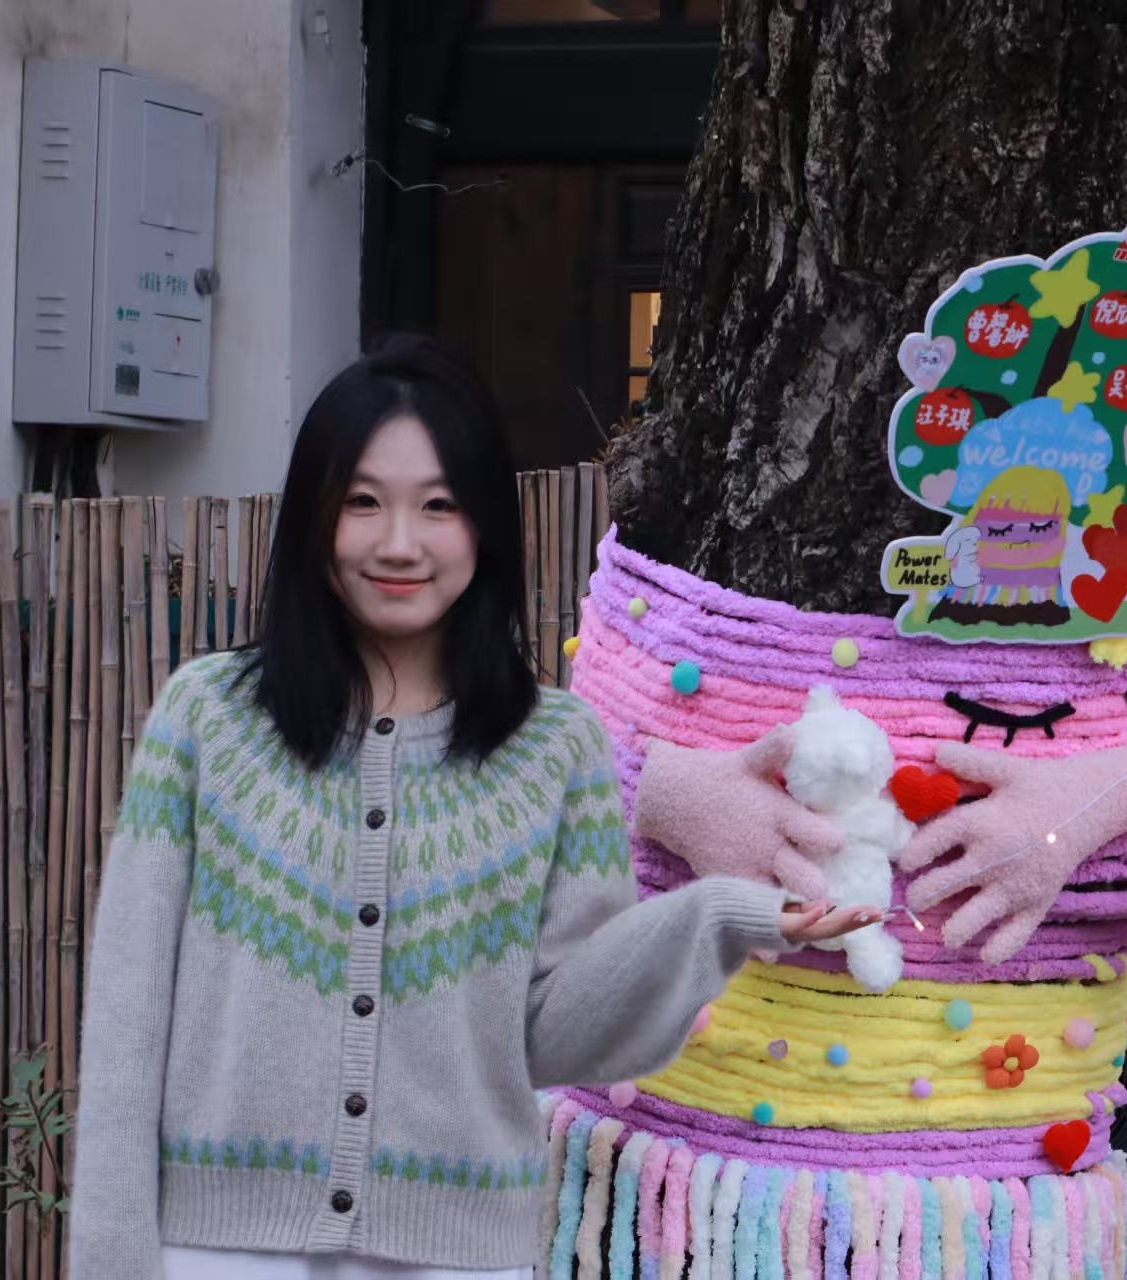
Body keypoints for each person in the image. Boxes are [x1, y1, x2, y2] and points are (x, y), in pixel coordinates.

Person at [69, 338, 873, 1280]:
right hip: (214, 1252)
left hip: (456, 1257)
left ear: (485, 525)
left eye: (438, 505)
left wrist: (719, 918)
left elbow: (558, 1030)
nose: (398, 543)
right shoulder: (208, 718)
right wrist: (112, 1258)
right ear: (313, 517)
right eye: (362, 502)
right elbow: (128, 1019)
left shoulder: (554, 749)